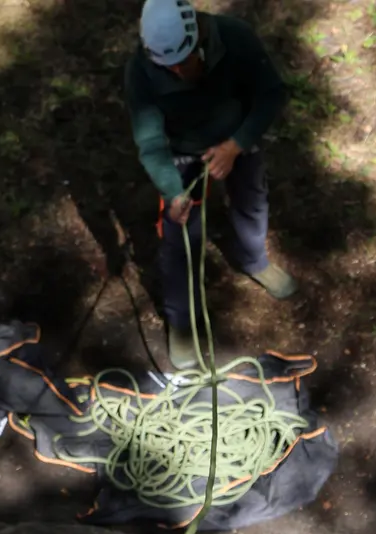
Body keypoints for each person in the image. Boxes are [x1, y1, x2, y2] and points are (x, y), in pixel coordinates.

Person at [125, 0, 295, 370]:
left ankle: (254, 259)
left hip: (236, 137)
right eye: (167, 67)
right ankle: (182, 325)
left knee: (252, 200)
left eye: (184, 62)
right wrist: (172, 191)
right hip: (182, 153)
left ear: (199, 36)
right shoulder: (141, 71)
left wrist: (236, 144)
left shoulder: (235, 38)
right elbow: (151, 144)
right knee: (180, 239)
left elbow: (271, 93)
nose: (177, 72)